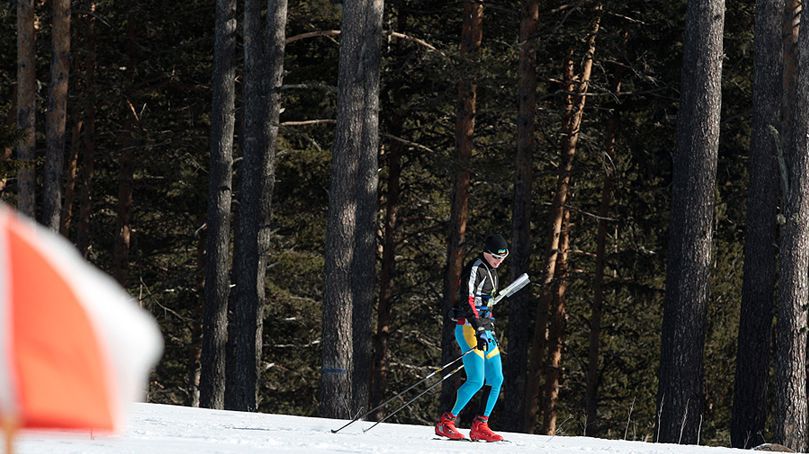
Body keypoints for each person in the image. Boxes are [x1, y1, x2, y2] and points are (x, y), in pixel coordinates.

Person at [435, 233, 508, 442]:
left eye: (503, 258)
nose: (499, 261)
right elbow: (467, 301)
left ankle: (480, 425)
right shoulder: (475, 268)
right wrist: (479, 328)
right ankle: (446, 422)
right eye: (496, 257)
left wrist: (488, 327)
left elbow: (485, 303)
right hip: (469, 329)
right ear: (486, 252)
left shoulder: (492, 271)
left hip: (486, 330)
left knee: (496, 378)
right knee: (476, 379)